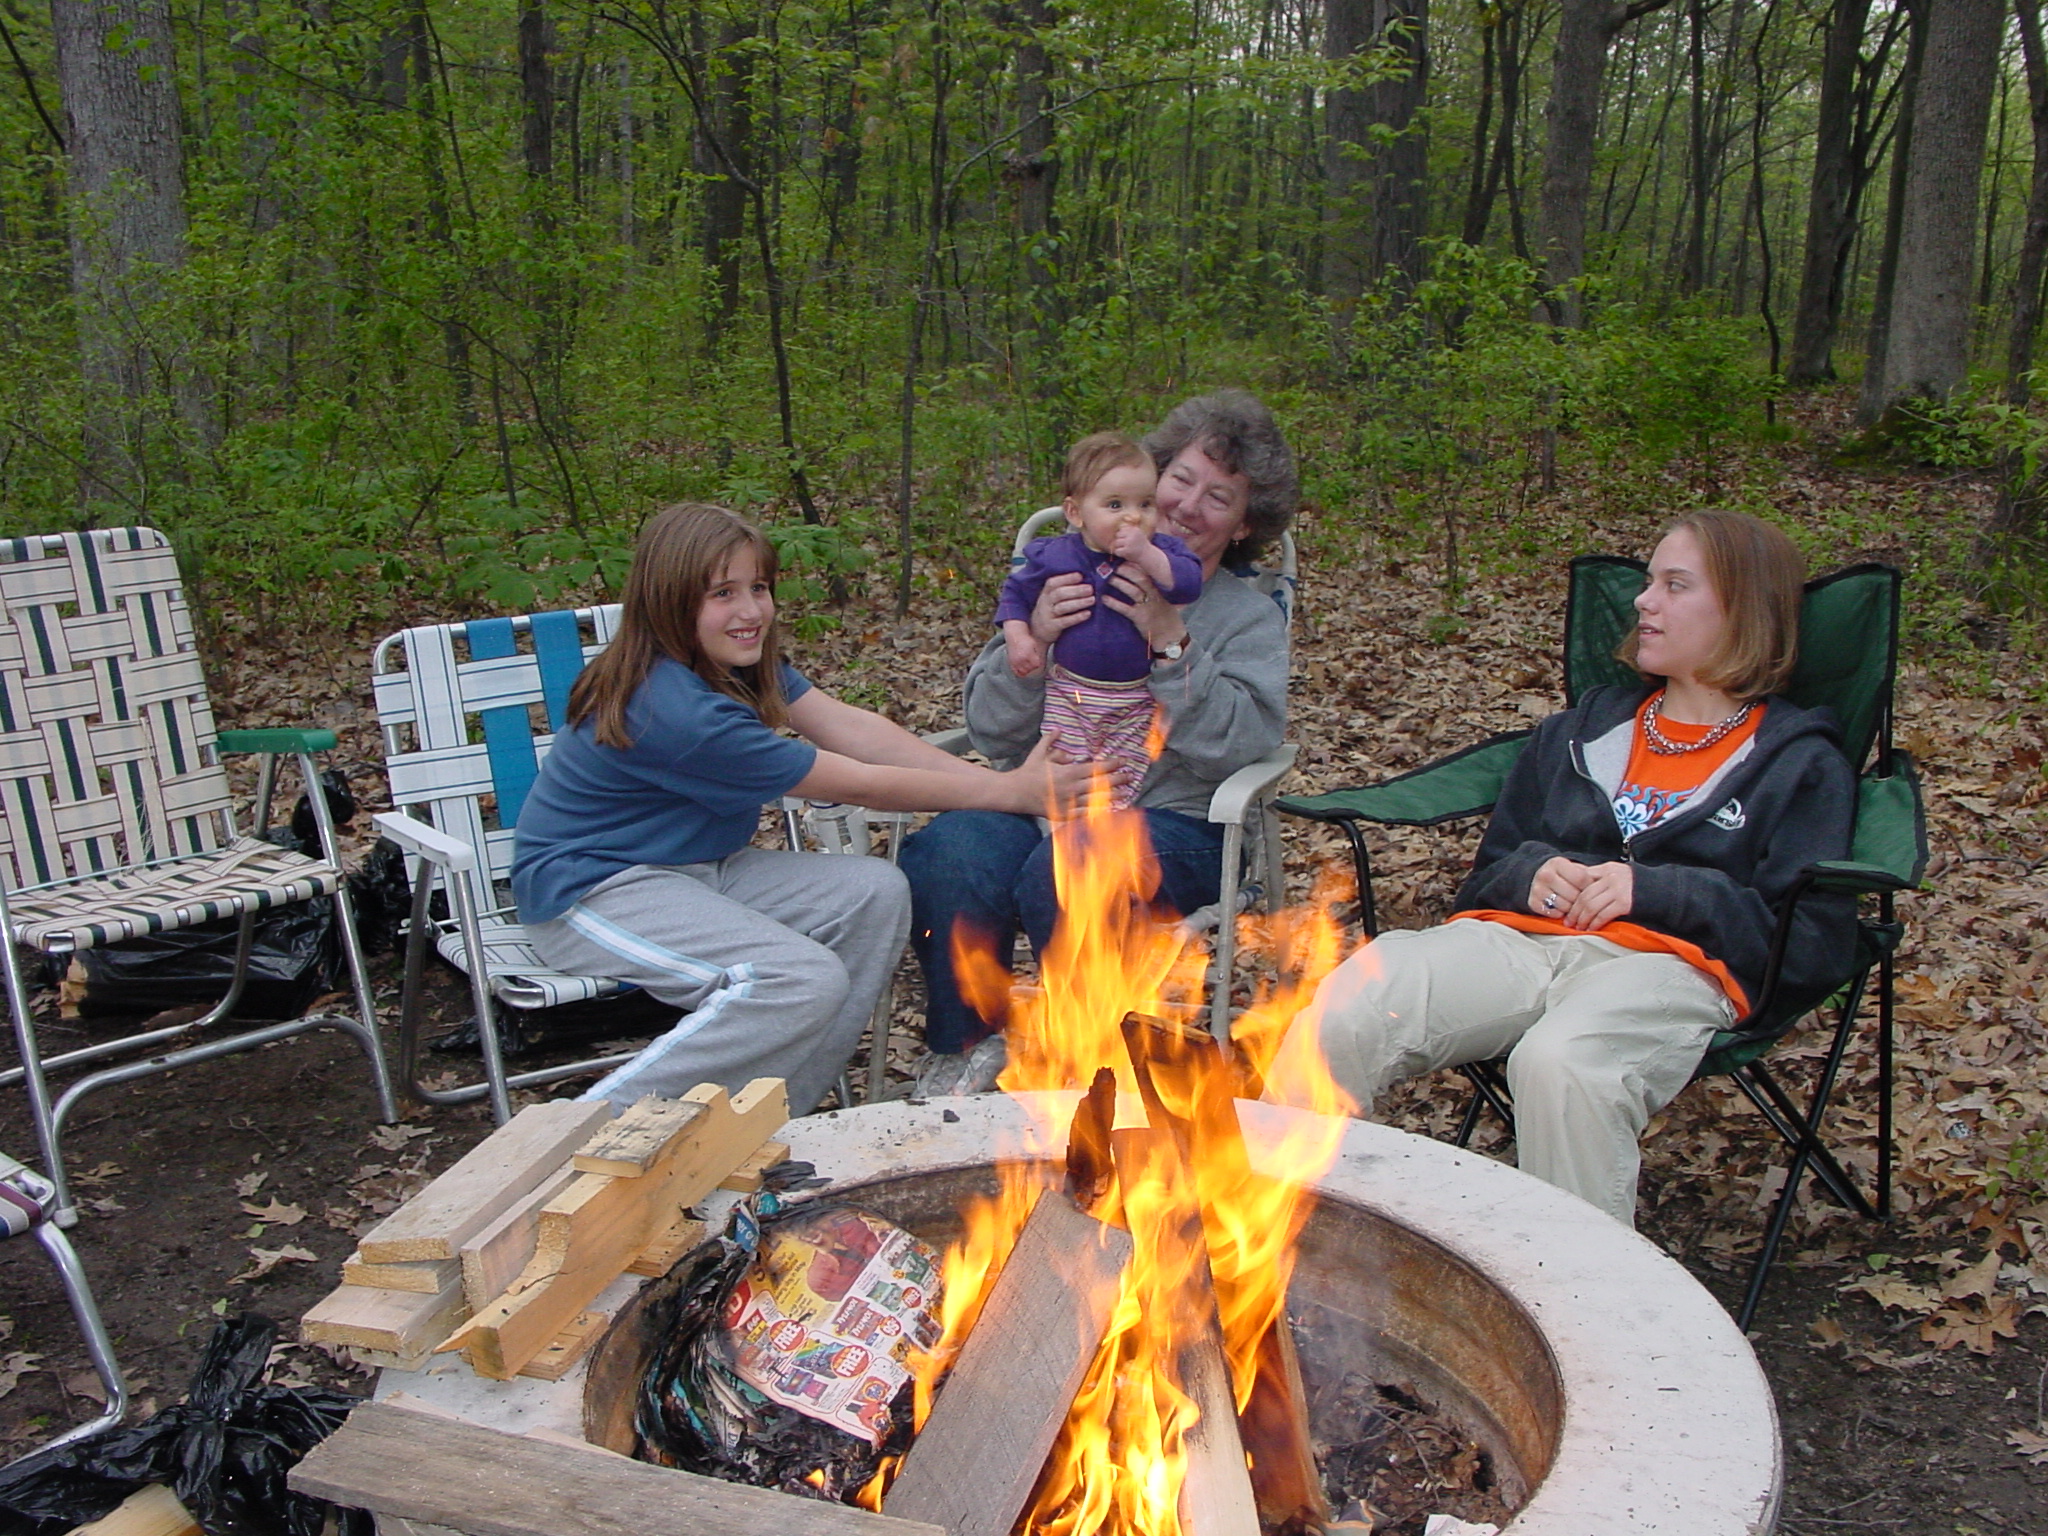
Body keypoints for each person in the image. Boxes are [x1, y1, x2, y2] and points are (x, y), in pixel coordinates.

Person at [1269, 509, 1859, 1225]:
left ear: (1745, 611)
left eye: (1675, 586)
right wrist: (1535, 873)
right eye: (1649, 583)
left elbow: (1807, 940)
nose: (1644, 601)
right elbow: (1491, 872)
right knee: (1352, 1004)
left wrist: (1656, 890)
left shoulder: (1798, 763)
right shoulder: (1582, 730)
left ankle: (1584, 1288)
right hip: (1520, 943)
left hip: (1670, 965)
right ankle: (1266, 1236)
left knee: (1563, 1064)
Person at [512, 503, 1089, 1117]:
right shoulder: (674, 710)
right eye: (723, 593)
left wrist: (1009, 785)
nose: (750, 611)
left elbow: (854, 731)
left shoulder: (730, 664)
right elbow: (861, 783)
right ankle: (583, 1128)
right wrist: (1012, 794)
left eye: (758, 587)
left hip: (701, 868)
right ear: (669, 600)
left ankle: (778, 1116)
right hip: (591, 889)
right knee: (799, 980)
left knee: (874, 892)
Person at [901, 389, 1298, 1095]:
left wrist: (1172, 643)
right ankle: (965, 1052)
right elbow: (991, 728)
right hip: (1041, 799)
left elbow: (1242, 745)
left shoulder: (1246, 617)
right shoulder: (1063, 574)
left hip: (1176, 824)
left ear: (1243, 525)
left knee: (1074, 862)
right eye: (1179, 480)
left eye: (1218, 497)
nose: (1185, 507)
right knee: (949, 851)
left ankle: (1082, 1070)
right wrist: (1036, 640)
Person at [996, 431, 1203, 809]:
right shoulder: (1055, 555)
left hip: (1136, 697)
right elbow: (1015, 595)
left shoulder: (1163, 551)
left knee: (1120, 779)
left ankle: (1108, 830)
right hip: (1070, 692)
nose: (1133, 516)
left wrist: (1147, 555)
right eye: (1114, 504)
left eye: (1146, 504)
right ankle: (1061, 826)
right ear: (1076, 513)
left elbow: (1188, 584)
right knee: (1065, 773)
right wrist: (1020, 637)